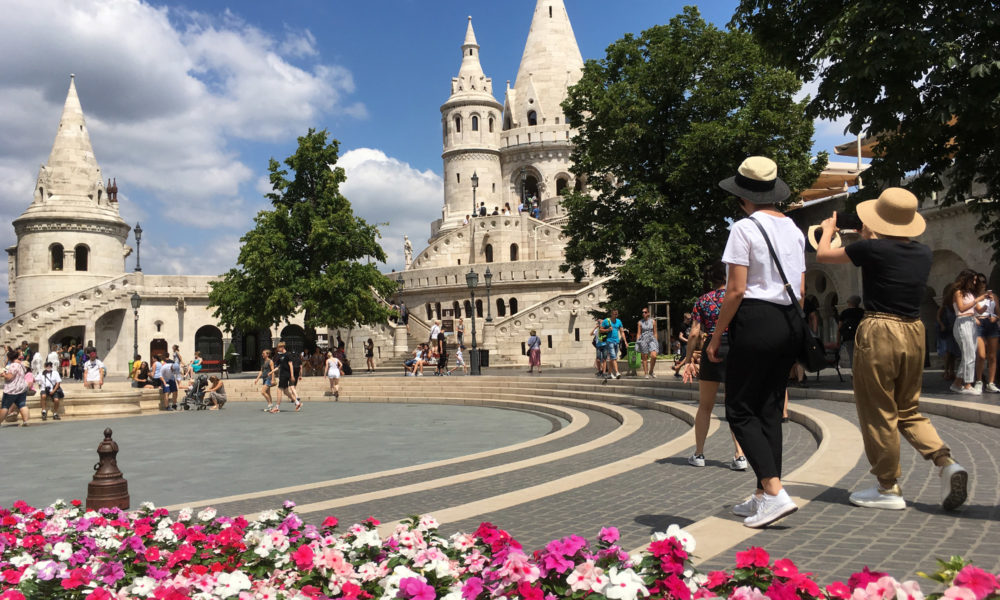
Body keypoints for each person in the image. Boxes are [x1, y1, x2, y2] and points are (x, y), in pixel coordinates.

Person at [817, 187, 970, 511]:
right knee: (908, 409)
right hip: (914, 331)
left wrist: (829, 232)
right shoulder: (923, 252)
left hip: (880, 331)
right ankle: (945, 462)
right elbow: (886, 249)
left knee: (878, 412)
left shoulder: (870, 249)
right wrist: (869, 231)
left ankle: (888, 487)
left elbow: (824, 256)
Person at [706, 156, 803, 528]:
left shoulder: (743, 229)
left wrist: (716, 337)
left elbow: (735, 290)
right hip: (788, 320)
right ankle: (763, 495)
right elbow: (802, 287)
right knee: (769, 409)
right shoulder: (792, 228)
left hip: (756, 319)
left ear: (743, 196)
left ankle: (775, 492)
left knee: (740, 409)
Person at [683, 263, 748, 471]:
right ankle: (739, 455)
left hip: (712, 347)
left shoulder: (703, 301)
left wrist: (688, 359)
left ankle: (699, 453)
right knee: (735, 403)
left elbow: (694, 333)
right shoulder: (738, 296)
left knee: (705, 406)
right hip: (737, 349)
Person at [951, 269, 989, 395]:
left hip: (971, 323)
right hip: (962, 322)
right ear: (965, 279)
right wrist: (977, 300)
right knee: (969, 355)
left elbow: (979, 311)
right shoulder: (958, 293)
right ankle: (967, 384)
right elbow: (961, 308)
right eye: (972, 279)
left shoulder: (971, 294)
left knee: (970, 354)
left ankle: (958, 383)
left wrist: (987, 303)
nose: (974, 282)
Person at [972, 272, 998, 393]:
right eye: (979, 281)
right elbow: (968, 311)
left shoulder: (993, 296)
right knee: (981, 355)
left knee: (992, 355)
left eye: (984, 281)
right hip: (979, 324)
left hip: (991, 323)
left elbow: (998, 312)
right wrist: (974, 318)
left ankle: (991, 383)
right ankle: (978, 381)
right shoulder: (973, 296)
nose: (982, 284)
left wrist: (996, 318)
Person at [0, 349, 29, 427]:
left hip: (12, 389)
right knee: (22, 404)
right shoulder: (22, 364)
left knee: (5, 406)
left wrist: (3, 374)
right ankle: (25, 421)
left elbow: (9, 377)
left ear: (9, 358)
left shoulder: (13, 365)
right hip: (22, 388)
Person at [838, 295, 865, 368]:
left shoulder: (844, 312)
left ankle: (854, 373)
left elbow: (840, 327)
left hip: (848, 338)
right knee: (860, 357)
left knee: (851, 356)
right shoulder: (862, 312)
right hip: (860, 338)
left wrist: (838, 341)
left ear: (850, 302)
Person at [636, 307, 659, 378]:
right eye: (643, 312)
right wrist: (637, 342)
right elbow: (639, 333)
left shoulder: (653, 321)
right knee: (644, 357)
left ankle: (651, 371)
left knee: (654, 356)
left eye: (645, 312)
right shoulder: (640, 322)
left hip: (652, 339)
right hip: (643, 339)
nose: (644, 313)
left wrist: (656, 342)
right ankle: (646, 373)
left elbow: (655, 332)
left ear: (648, 313)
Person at [602, 309, 624, 379]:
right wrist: (607, 330)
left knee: (613, 358)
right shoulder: (606, 321)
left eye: (616, 314)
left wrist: (625, 341)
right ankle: (617, 372)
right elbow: (601, 329)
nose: (615, 315)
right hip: (609, 341)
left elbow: (622, 331)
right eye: (614, 314)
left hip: (616, 341)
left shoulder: (619, 321)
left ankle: (609, 374)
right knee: (613, 357)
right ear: (611, 314)